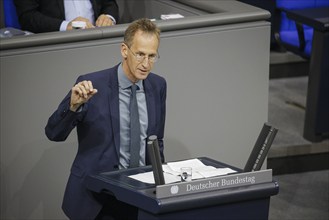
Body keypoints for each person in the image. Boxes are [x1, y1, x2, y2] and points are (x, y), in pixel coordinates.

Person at [45, 18, 166, 219]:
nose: (146, 64)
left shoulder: (158, 86)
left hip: (140, 198)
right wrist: (73, 106)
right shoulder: (91, 85)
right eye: (140, 54)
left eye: (152, 56)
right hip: (97, 201)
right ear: (124, 50)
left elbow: (156, 141)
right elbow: (53, 133)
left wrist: (160, 185)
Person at [13, 0, 119, 33]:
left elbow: (109, 3)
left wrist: (108, 17)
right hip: (55, 46)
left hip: (97, 39)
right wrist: (65, 26)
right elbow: (27, 17)